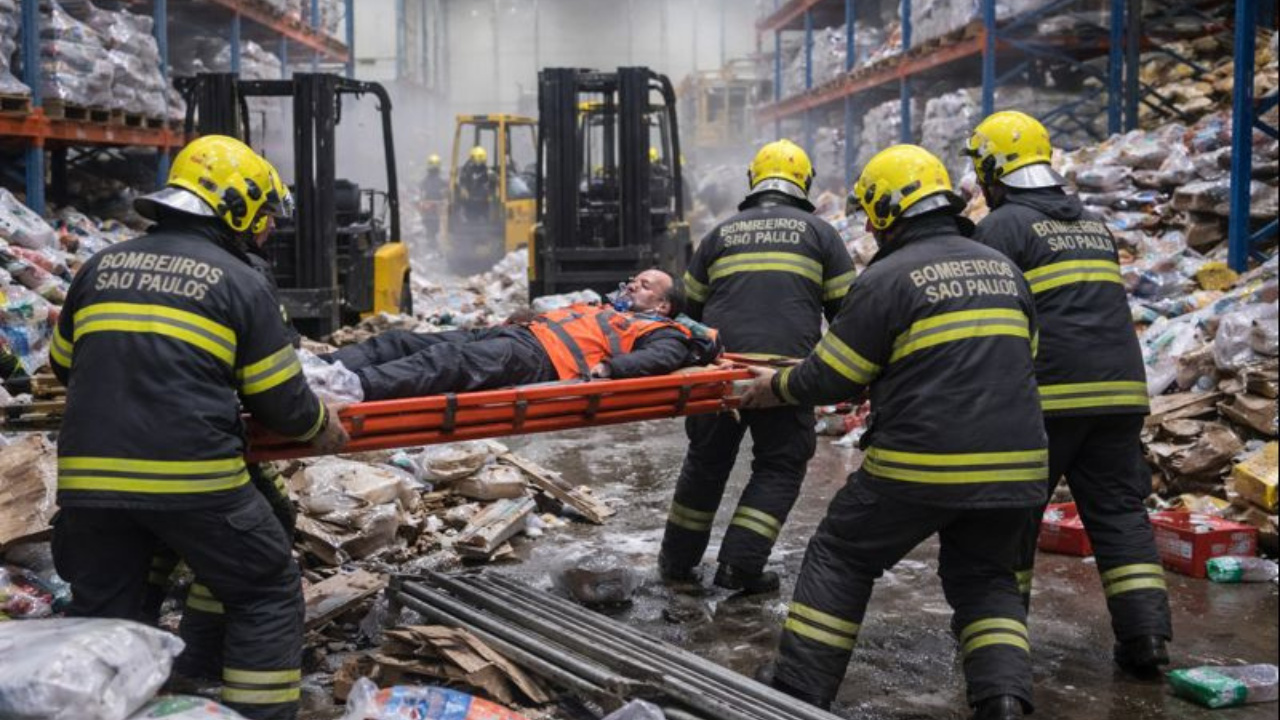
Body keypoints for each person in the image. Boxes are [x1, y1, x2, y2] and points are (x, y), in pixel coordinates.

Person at [740, 145, 1047, 720]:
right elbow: (1026, 354)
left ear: (884, 211)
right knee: (986, 576)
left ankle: (801, 688)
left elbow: (838, 373)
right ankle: (1003, 700)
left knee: (841, 553)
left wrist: (774, 387)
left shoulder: (886, 278)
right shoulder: (1003, 268)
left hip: (922, 462)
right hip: (1019, 464)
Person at [49, 135, 349, 720]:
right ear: (234, 209)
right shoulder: (240, 280)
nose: (264, 231)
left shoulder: (99, 266)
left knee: (109, 621)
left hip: (87, 487)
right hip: (192, 481)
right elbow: (281, 404)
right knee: (264, 588)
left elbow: (63, 366)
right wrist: (321, 425)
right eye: (261, 216)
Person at [966, 110, 1172, 676]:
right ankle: (1147, 638)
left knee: (1012, 521)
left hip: (1048, 399)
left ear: (993, 169)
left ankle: (1005, 654)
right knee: (1120, 516)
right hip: (1120, 394)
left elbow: (986, 317)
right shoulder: (1091, 224)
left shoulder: (1004, 227)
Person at [658, 139, 854, 594]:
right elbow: (848, 314)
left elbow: (690, 311)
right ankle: (740, 566)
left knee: (706, 462)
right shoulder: (821, 234)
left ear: (754, 182)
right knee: (780, 465)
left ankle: (676, 562)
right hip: (784, 379)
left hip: (720, 373)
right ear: (803, 183)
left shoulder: (721, 233)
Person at [323, 268, 719, 402]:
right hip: (517, 336)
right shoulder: (604, 307)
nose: (633, 285)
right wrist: (528, 316)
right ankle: (316, 369)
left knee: (446, 363)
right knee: (402, 340)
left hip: (539, 360)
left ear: (664, 305)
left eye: (646, 285)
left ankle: (348, 387)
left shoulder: (662, 330)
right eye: (635, 279)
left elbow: (661, 359)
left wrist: (608, 370)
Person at [457, 145, 494, 222]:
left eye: (481, 160)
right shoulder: (467, 169)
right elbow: (462, 181)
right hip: (470, 201)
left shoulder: (484, 168)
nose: (479, 163)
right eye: (477, 160)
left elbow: (488, 180)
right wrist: (463, 189)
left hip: (483, 200)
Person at [420, 153, 447, 243]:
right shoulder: (440, 181)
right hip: (432, 209)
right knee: (433, 228)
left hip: (434, 209)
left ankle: (432, 240)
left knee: (432, 228)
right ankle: (433, 241)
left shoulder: (425, 181)